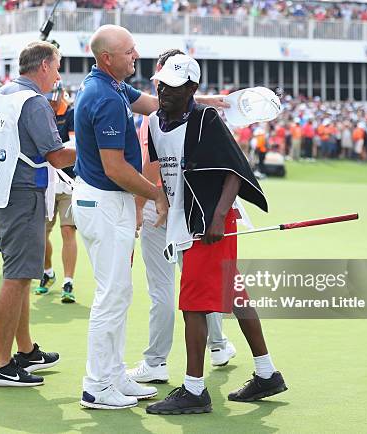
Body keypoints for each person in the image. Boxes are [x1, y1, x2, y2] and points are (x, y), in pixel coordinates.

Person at [72, 25, 228, 410]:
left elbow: (153, 102)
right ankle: (97, 385)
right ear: (107, 58)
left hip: (111, 203)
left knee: (120, 293)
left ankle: (112, 376)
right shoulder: (105, 97)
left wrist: (206, 99)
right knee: (111, 296)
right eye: (129, 51)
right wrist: (157, 193)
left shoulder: (110, 85)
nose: (135, 56)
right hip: (106, 202)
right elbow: (115, 167)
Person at [144, 53, 287, 416]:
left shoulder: (205, 118)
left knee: (193, 303)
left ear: (192, 89)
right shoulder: (154, 121)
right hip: (185, 220)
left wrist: (219, 217)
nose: (165, 92)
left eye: (175, 88)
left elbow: (235, 169)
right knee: (234, 294)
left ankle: (194, 390)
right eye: (162, 85)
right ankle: (267, 373)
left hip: (209, 225)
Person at [0, 41, 76, 387]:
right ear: (43, 66)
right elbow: (57, 156)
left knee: (22, 275)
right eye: (57, 67)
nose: (58, 75)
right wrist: (91, 146)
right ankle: (0, 364)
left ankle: (26, 350)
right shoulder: (33, 103)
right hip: (22, 196)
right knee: (16, 278)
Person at [127, 49, 236, 386]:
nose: (159, 88)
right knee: (201, 283)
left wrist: (138, 208)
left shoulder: (164, 116)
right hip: (186, 207)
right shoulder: (194, 111)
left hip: (168, 206)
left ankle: (157, 362)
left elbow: (151, 166)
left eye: (163, 80)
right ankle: (218, 346)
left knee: (169, 288)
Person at [34, 81, 78, 303]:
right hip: (48, 182)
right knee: (41, 234)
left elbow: (73, 147)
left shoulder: (71, 114)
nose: (50, 101)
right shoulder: (41, 113)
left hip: (69, 181)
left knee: (68, 231)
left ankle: (68, 281)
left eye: (53, 97)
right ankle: (48, 272)